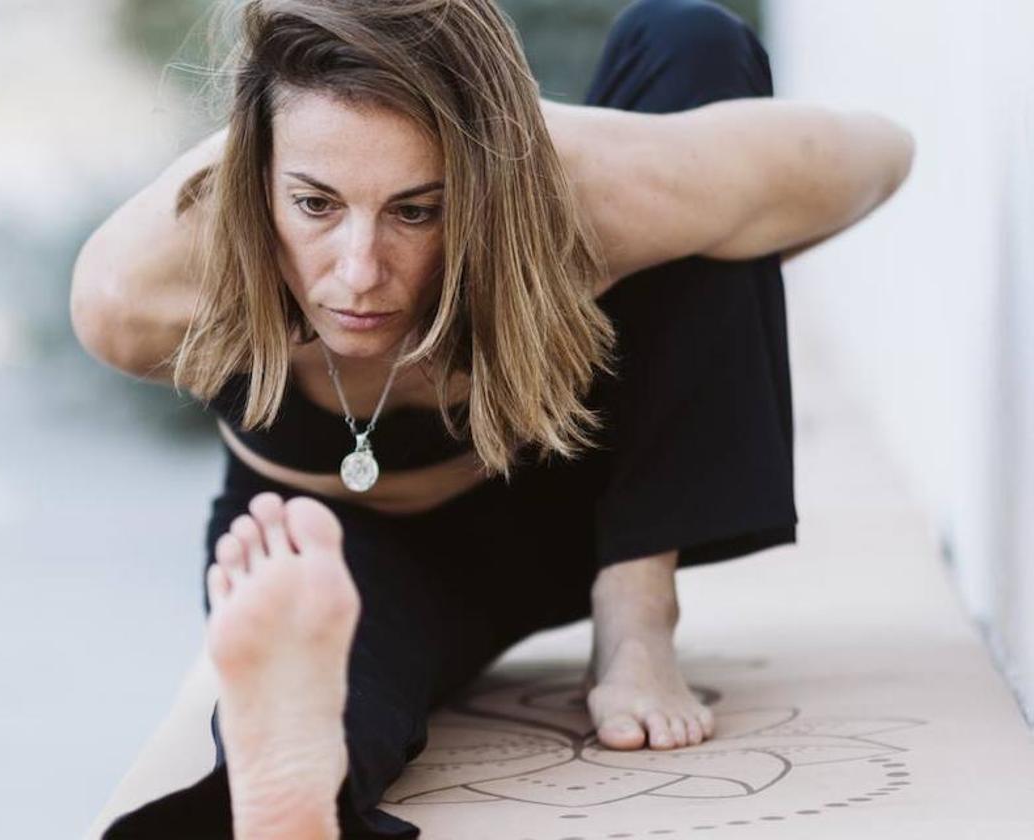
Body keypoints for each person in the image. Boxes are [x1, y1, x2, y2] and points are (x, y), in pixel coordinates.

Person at [71, 0, 914, 836]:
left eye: (416, 209)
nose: (361, 273)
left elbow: (884, 155)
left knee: (688, 40)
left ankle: (637, 617)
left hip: (578, 499)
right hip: (337, 542)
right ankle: (296, 793)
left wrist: (630, 236)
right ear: (257, 172)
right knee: (325, 692)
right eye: (317, 204)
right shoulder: (143, 284)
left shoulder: (597, 188)